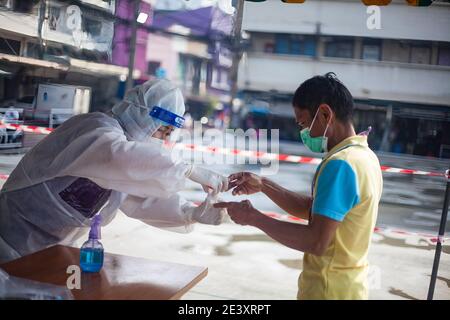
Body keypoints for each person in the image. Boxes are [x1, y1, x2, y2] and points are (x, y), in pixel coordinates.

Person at [0, 79, 228, 264]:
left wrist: (191, 213)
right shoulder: (95, 128)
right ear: (143, 114)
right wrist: (186, 170)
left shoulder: (128, 163)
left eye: (169, 133)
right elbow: (116, 155)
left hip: (53, 253)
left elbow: (142, 198)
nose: (163, 138)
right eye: (162, 130)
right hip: (12, 237)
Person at [216, 73, 383, 300]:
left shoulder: (340, 165)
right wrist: (264, 185)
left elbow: (316, 242)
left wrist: (253, 217)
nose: (304, 133)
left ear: (325, 114)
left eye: (304, 123)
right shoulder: (364, 157)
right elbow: (316, 210)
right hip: (350, 287)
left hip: (328, 290)